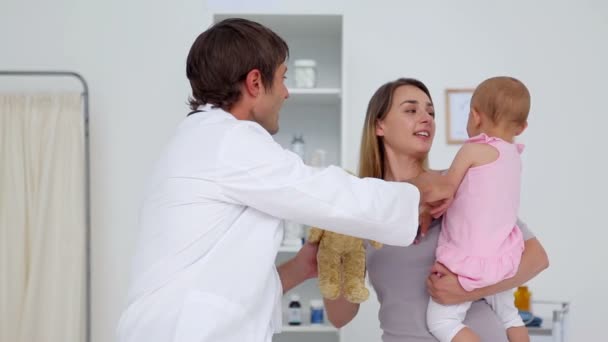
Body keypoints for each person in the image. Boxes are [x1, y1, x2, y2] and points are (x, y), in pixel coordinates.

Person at [116, 19, 453, 342]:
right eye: (282, 78)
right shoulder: (230, 141)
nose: (287, 93)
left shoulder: (204, 140)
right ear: (254, 83)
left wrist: (299, 268)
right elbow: (320, 191)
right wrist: (415, 196)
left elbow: (227, 281)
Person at [324, 78, 549, 341]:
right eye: (411, 110)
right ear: (379, 125)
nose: (426, 118)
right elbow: (340, 316)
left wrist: (468, 291)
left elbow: (537, 258)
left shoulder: (458, 184)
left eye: (430, 112)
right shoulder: (363, 207)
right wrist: (335, 250)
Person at [426, 76, 533, 342]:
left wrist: (427, 205)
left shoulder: (473, 150)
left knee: (442, 320)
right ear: (522, 127)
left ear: (475, 116)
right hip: (503, 257)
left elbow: (446, 189)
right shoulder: (513, 157)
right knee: (510, 317)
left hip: (468, 259)